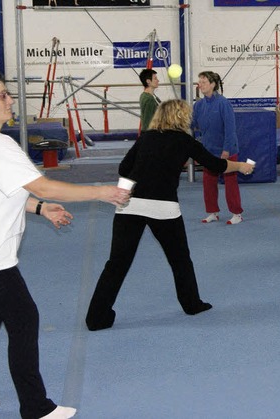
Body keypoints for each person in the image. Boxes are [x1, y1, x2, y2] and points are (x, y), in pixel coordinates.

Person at [0, 69, 130, 418]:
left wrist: (38, 208)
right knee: (24, 319)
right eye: (2, 95)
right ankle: (35, 408)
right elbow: (44, 185)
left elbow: (4, 190)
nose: (10, 100)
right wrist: (102, 192)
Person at [85, 99, 254, 331]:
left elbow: (124, 168)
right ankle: (192, 304)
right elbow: (215, 165)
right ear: (181, 117)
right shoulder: (184, 141)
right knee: (180, 259)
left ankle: (95, 318)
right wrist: (241, 166)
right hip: (163, 208)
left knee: (116, 263)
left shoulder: (145, 137)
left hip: (130, 205)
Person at [192, 71, 245, 225]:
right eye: (199, 82)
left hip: (227, 150)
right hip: (208, 150)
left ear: (213, 84)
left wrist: (226, 150)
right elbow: (193, 126)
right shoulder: (198, 105)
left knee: (230, 182)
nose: (200, 85)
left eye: (204, 82)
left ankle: (236, 214)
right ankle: (213, 212)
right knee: (208, 182)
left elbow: (230, 129)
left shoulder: (223, 103)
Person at [138, 68, 160, 132]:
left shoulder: (144, 95)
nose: (158, 80)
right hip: (150, 133)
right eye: (155, 78)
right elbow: (149, 120)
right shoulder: (149, 99)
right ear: (148, 81)